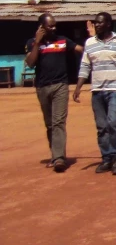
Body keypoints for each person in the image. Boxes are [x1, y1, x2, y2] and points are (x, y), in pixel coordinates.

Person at [24, 13, 89, 172]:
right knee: (49, 124)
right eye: (50, 26)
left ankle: (59, 158)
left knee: (58, 121)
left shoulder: (63, 40)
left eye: (55, 25)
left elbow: (81, 49)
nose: (54, 28)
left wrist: (92, 39)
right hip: (42, 87)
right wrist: (37, 42)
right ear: (41, 27)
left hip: (60, 85)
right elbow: (31, 63)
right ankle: (55, 155)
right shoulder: (32, 43)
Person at [74, 12, 116, 176]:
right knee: (101, 126)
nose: (97, 25)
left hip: (115, 88)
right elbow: (85, 66)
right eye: (96, 23)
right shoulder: (90, 43)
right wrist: (78, 87)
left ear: (108, 24)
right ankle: (106, 158)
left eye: (100, 22)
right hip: (97, 89)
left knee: (113, 122)